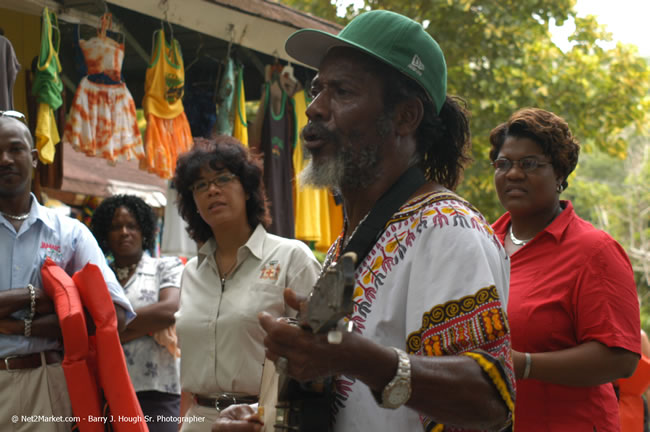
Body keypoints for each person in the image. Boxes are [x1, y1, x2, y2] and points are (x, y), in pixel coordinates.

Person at [214, 10, 514, 432]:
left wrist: (353, 356)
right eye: (317, 89)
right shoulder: (353, 238)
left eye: (343, 91)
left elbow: (489, 401)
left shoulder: (447, 228)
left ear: (405, 117)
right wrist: (268, 413)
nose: (315, 108)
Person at [489, 107, 640, 431]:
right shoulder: (481, 243)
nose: (513, 174)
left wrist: (524, 365)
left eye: (529, 164)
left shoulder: (594, 251)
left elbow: (623, 358)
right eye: (504, 164)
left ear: (559, 173)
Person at [172, 135, 322, 431]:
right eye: (200, 185)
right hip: (199, 420)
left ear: (247, 189)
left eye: (223, 179)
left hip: (261, 420)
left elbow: (319, 355)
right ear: (193, 202)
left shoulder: (291, 257)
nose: (212, 190)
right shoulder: (192, 272)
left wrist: (262, 409)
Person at [0, 110, 135, 431]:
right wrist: (50, 300)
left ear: (34, 158)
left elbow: (111, 315)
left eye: (15, 149)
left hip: (49, 384)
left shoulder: (70, 233)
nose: (4, 159)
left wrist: (20, 320)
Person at [90, 194, 184, 432]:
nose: (124, 232)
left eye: (131, 225)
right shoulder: (98, 277)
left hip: (158, 389)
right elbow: (88, 327)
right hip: (108, 391)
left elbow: (170, 310)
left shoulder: (166, 266)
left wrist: (109, 333)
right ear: (104, 234)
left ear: (144, 230)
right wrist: (145, 327)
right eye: (115, 227)